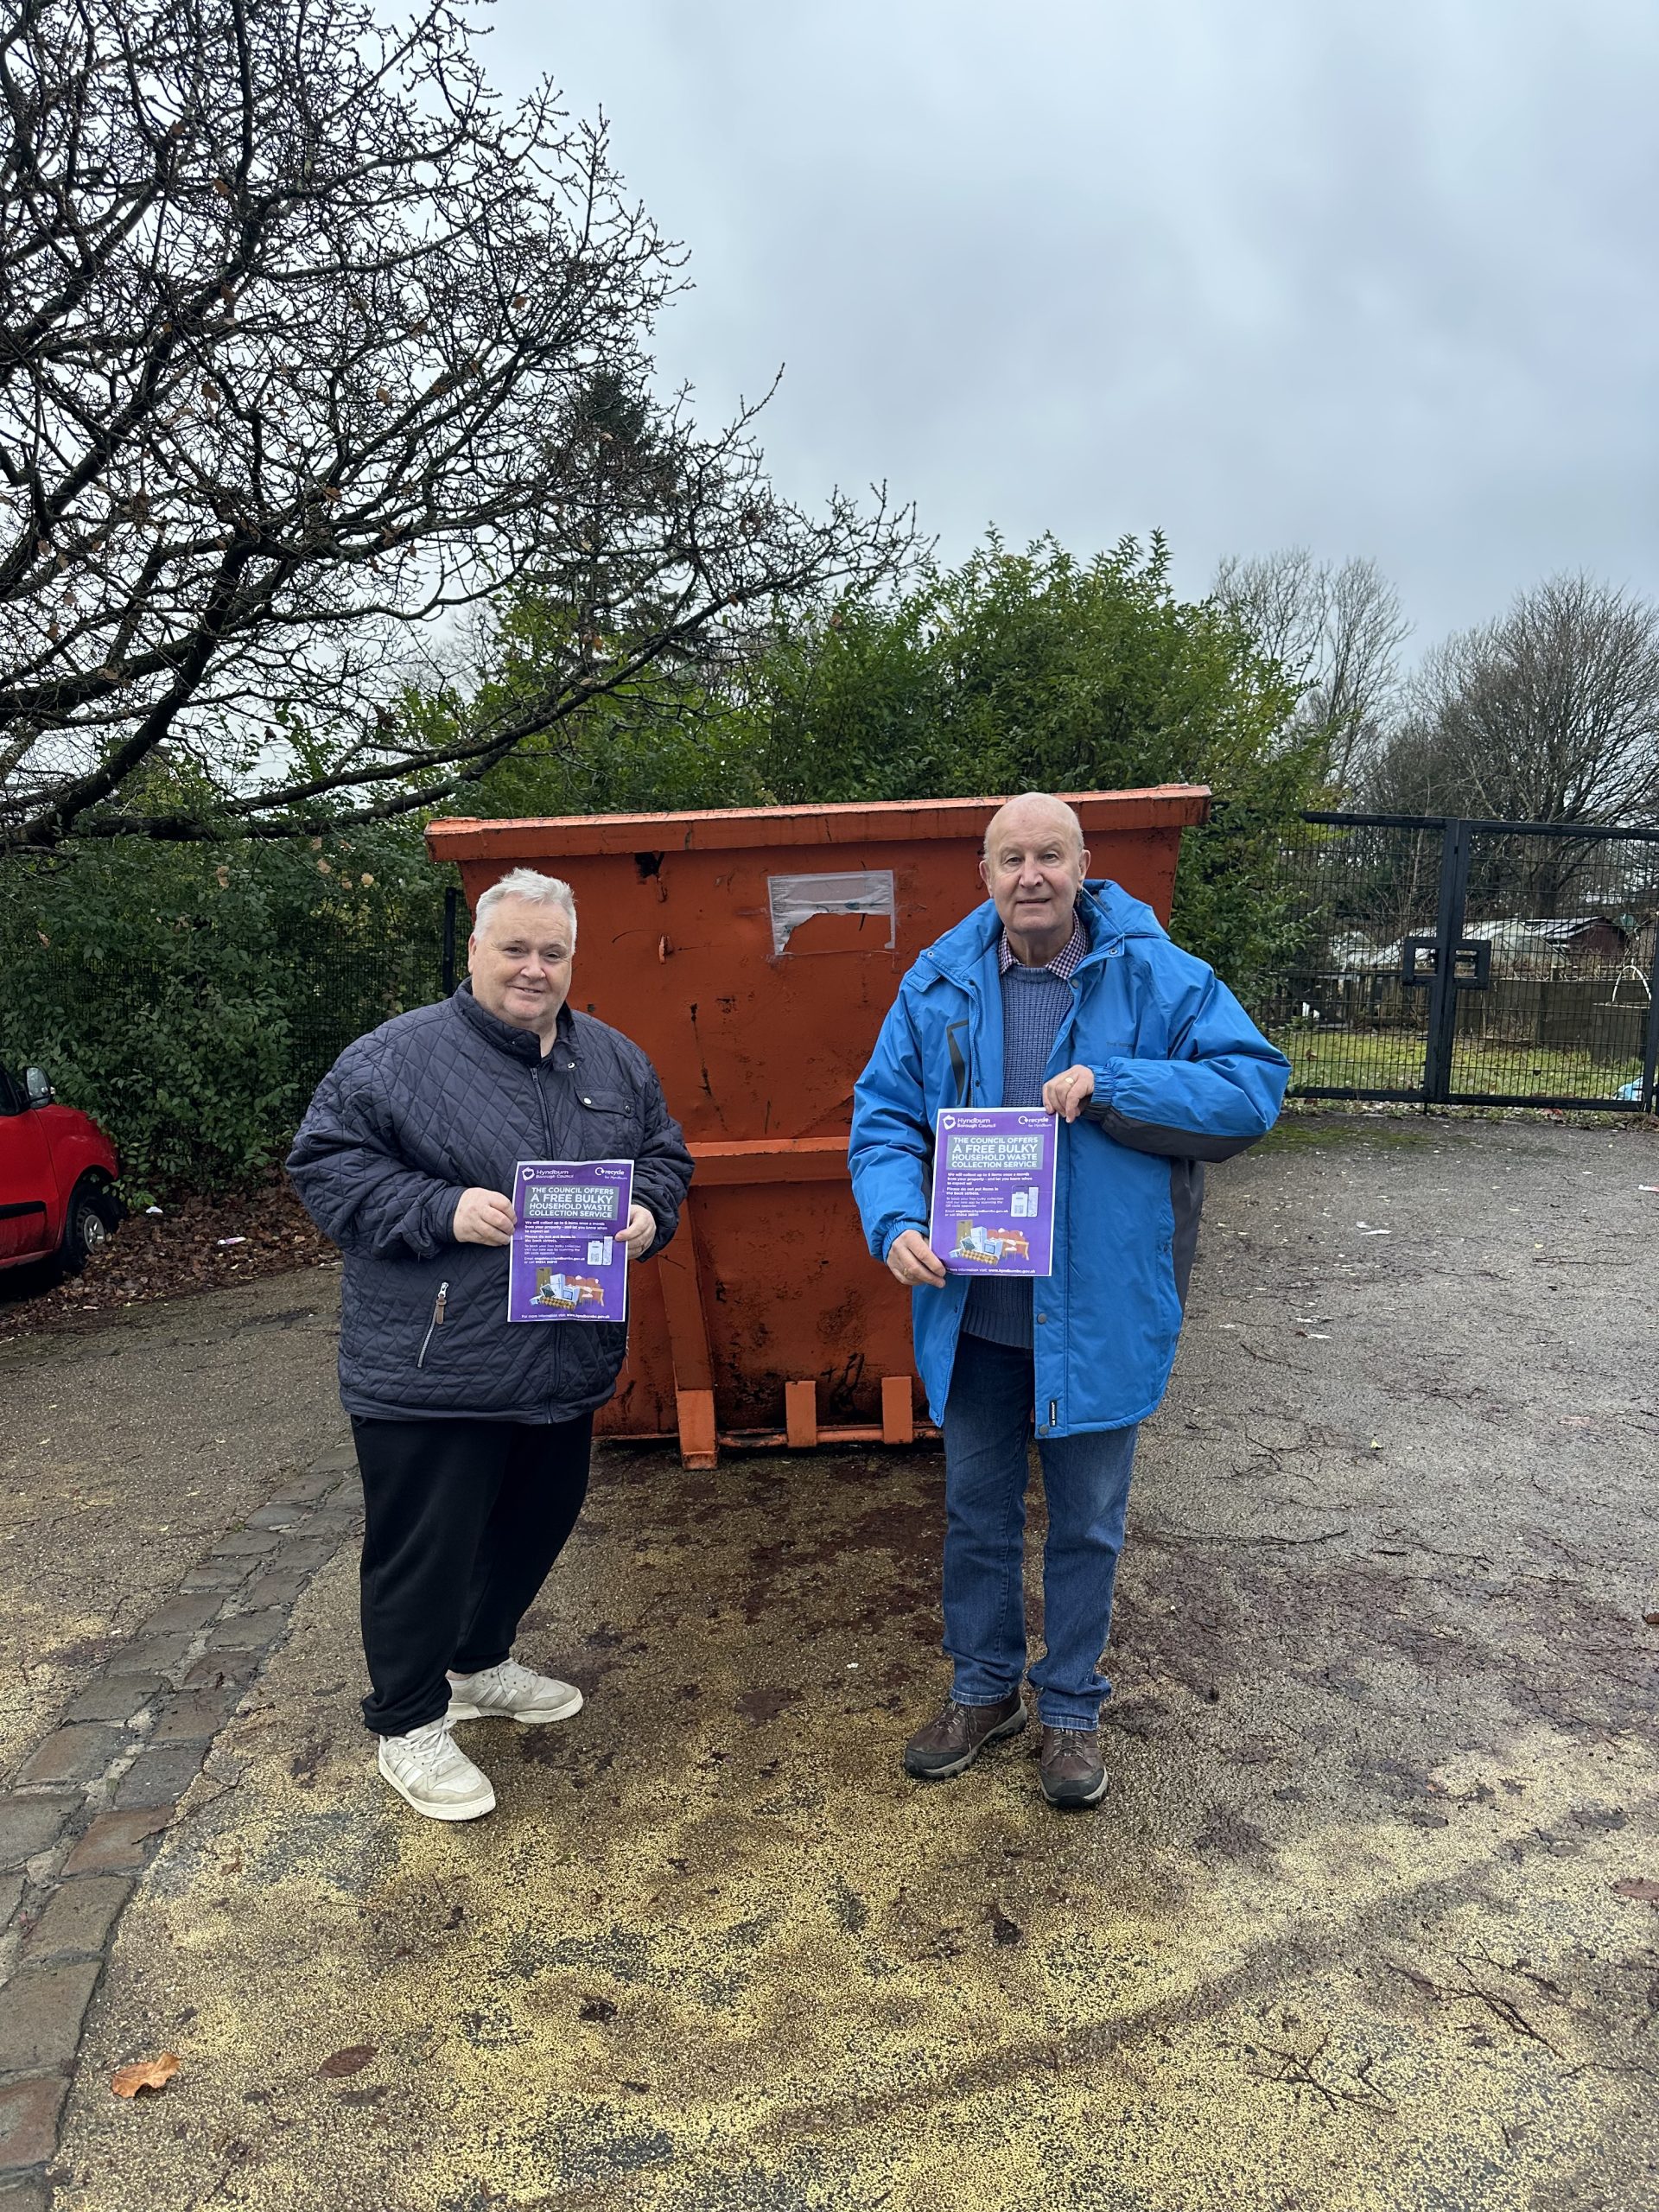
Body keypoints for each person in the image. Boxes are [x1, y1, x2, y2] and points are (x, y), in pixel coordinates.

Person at [849, 793, 1288, 1808]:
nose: (1032, 875)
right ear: (985, 872)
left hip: (1095, 1315)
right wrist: (894, 1218)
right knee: (976, 1516)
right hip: (975, 1313)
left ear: (1084, 864)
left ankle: (1073, 1710)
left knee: (1087, 1522)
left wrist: (1117, 1082)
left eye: (1051, 854)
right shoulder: (938, 984)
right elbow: (882, 1121)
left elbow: (1254, 1088)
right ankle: (982, 1688)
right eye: (1012, 858)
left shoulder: (1158, 973)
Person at [288, 868, 692, 1821]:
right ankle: (408, 1721)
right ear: (474, 951)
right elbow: (324, 1166)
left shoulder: (613, 1062)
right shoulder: (394, 1059)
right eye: (514, 948)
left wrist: (647, 1210)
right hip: (434, 1364)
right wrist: (441, 1208)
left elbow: (666, 1154)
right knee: (422, 1550)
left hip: (561, 1353)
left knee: (534, 1523)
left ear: (572, 960)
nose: (533, 968)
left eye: (552, 952)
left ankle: (477, 1664)